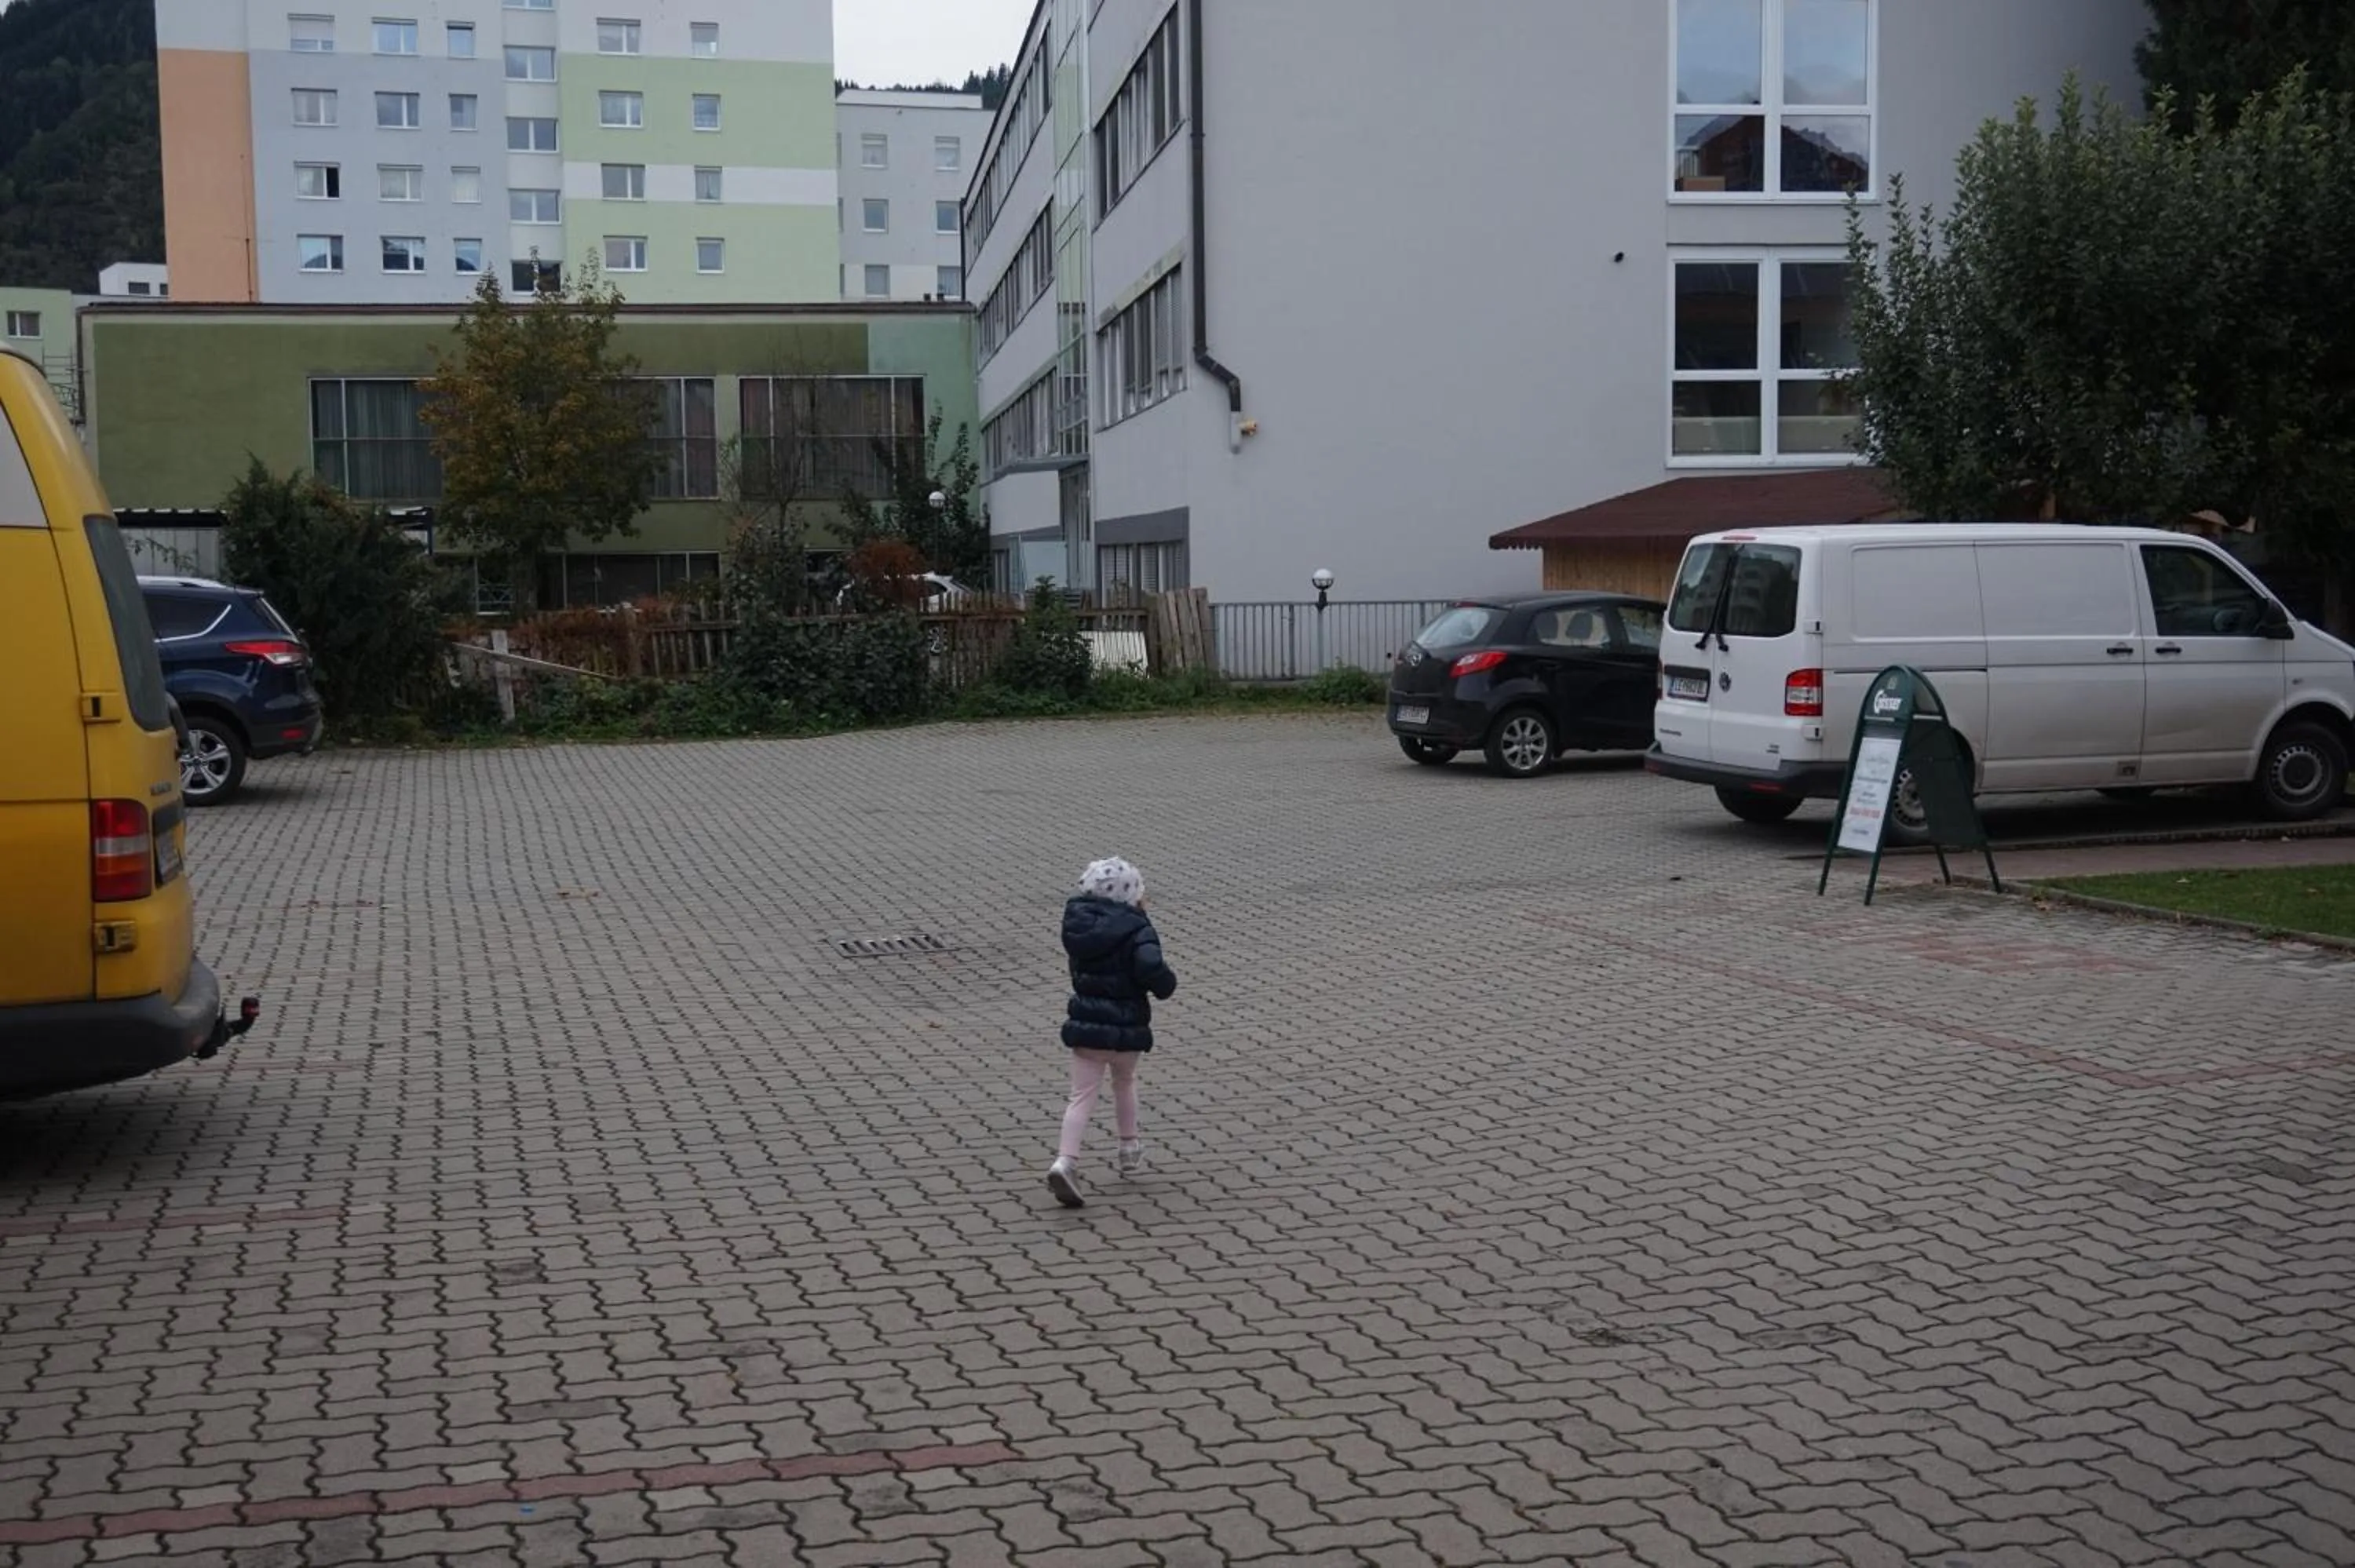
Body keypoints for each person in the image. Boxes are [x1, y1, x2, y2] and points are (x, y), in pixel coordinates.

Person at [1049, 857, 1178, 1209]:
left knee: (1081, 1096)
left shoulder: (1079, 927)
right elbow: (1151, 966)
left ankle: (1066, 1161)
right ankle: (1129, 1145)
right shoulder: (1137, 928)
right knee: (1125, 1081)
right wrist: (1165, 984)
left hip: (1087, 1025)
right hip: (1126, 1026)